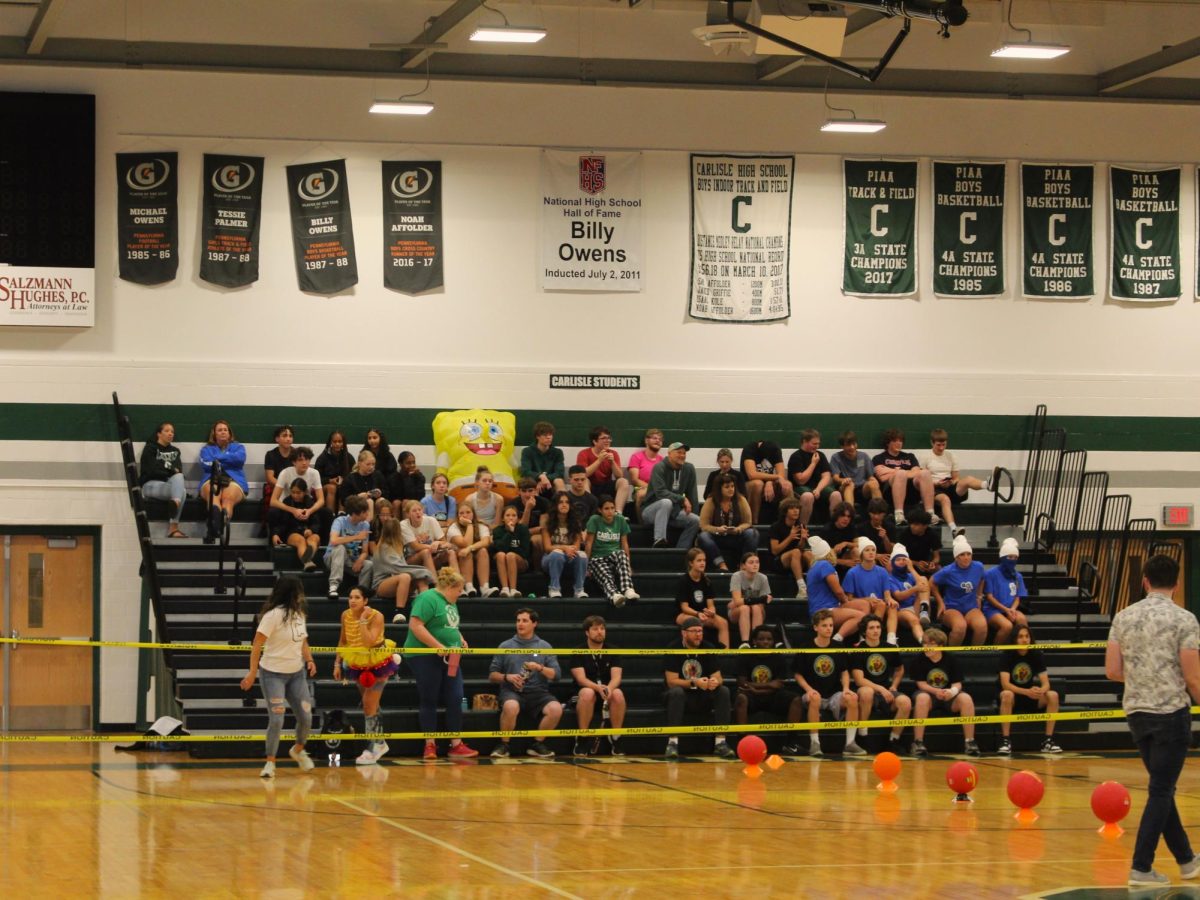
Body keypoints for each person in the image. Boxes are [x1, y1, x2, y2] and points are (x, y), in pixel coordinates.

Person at [1105, 554, 1200, 886]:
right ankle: (1141, 867)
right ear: (1176, 583)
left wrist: (1142, 675)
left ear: (1145, 581)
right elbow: (1192, 677)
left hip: (1136, 714)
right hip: (1171, 714)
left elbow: (1113, 671)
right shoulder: (1185, 619)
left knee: (1163, 788)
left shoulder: (1123, 617)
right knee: (1161, 789)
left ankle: (1187, 860)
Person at [239, 575, 317, 778]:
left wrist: (309, 660)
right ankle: (270, 763)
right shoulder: (272, 616)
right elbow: (257, 645)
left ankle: (298, 750)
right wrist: (252, 672)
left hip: (296, 674)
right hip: (272, 675)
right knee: (277, 719)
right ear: (292, 593)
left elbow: (303, 641)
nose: (302, 596)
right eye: (299, 591)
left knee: (306, 716)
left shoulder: (300, 615)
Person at [404, 567, 479, 760]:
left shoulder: (451, 602)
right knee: (429, 697)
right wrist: (437, 646)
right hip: (425, 656)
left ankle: (456, 744)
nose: (461, 593)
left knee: (456, 697)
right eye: (459, 589)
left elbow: (450, 625)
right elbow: (415, 625)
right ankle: (430, 744)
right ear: (450, 587)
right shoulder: (428, 598)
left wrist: (460, 639)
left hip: (451, 657)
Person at [332, 585, 400, 765]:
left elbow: (370, 642)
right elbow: (343, 640)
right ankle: (380, 742)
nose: (352, 600)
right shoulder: (345, 615)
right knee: (371, 705)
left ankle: (373, 747)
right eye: (350, 597)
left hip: (378, 663)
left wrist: (362, 620)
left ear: (365, 601)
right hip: (358, 663)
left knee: (368, 706)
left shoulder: (376, 616)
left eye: (357, 597)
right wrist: (337, 663)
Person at [792, 608, 867, 757]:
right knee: (815, 697)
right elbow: (798, 674)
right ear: (815, 627)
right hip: (812, 694)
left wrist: (846, 688)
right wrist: (808, 689)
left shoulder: (838, 647)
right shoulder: (806, 647)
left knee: (852, 698)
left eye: (831, 625)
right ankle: (815, 743)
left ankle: (850, 743)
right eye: (825, 625)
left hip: (833, 694)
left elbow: (844, 671)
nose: (828, 629)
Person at [489, 608, 563, 759]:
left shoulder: (544, 646)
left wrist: (540, 668)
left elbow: (557, 675)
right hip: (512, 691)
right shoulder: (505, 646)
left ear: (534, 623)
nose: (520, 624)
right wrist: (507, 677)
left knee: (556, 709)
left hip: (538, 693)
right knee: (511, 706)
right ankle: (504, 744)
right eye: (518, 621)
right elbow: (492, 675)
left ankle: (537, 744)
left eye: (524, 621)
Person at [663, 616, 737, 760]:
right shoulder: (673, 648)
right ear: (684, 633)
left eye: (701, 631)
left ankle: (721, 742)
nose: (698, 635)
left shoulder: (708, 648)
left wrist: (714, 682)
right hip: (682, 694)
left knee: (723, 691)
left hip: (702, 694)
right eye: (694, 631)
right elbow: (671, 681)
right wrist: (694, 682)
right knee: (676, 692)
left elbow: (719, 677)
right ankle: (672, 743)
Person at [908, 627, 980, 758]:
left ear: (941, 646)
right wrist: (936, 691)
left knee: (966, 699)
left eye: (931, 643)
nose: (927, 647)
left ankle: (970, 742)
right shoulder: (918, 660)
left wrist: (951, 692)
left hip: (948, 696)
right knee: (922, 698)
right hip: (929, 695)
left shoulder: (951, 659)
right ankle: (918, 742)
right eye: (925, 643)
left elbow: (958, 683)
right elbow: (921, 684)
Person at [736, 625, 804, 752]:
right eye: (761, 639)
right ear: (754, 641)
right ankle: (742, 742)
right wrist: (766, 685)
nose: (766, 642)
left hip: (773, 696)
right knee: (741, 698)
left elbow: (778, 685)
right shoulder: (745, 656)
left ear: (773, 641)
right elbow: (742, 683)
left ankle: (791, 743)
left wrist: (756, 687)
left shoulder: (779, 658)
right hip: (752, 696)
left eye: (769, 639)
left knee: (796, 700)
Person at [850, 614, 912, 754]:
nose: (876, 630)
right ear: (864, 631)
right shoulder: (858, 650)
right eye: (871, 628)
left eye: (878, 627)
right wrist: (881, 689)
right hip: (867, 691)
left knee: (905, 702)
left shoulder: (889, 648)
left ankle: (893, 740)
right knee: (867, 692)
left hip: (886, 691)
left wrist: (894, 685)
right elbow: (859, 680)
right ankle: (862, 735)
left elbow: (899, 668)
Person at [997, 624, 1062, 755]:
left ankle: (1048, 741)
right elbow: (1005, 684)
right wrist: (1027, 692)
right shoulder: (1007, 654)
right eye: (1021, 637)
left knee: (1053, 695)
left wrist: (1040, 691)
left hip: (1031, 696)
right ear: (1015, 639)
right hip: (1014, 697)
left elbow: (1046, 684)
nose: (1025, 640)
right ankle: (1006, 741)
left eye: (1027, 636)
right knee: (1007, 694)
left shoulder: (1036, 653)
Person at [569, 615, 626, 756]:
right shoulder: (578, 651)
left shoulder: (613, 650)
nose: (600, 632)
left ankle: (616, 738)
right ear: (587, 632)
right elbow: (581, 679)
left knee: (618, 694)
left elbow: (617, 677)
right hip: (585, 692)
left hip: (606, 692)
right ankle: (582, 738)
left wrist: (609, 688)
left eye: (602, 628)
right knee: (587, 692)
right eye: (595, 629)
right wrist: (597, 688)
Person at [924, 428, 994, 538]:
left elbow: (956, 477)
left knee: (968, 479)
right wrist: (937, 484)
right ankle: (954, 529)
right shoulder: (925, 457)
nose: (941, 448)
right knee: (945, 499)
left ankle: (988, 485)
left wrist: (951, 482)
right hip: (933, 489)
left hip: (949, 486)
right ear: (932, 443)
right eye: (938, 445)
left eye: (944, 444)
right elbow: (923, 481)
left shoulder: (951, 456)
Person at [804, 536, 865, 642]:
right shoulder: (825, 565)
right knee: (861, 616)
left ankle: (862, 637)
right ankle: (837, 639)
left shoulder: (814, 567)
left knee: (863, 604)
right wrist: (845, 601)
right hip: (824, 610)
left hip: (824, 606)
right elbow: (838, 591)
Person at [375, 514, 433, 623]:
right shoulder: (384, 547)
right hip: (381, 585)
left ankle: (426, 611)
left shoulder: (398, 546)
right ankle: (399, 612)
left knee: (421, 579)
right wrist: (426, 572)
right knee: (405, 576)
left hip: (398, 582)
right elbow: (399, 568)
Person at [642, 442, 701, 549]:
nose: (682, 455)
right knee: (666, 502)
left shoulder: (689, 469)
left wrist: (694, 513)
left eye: (684, 453)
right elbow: (660, 493)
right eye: (679, 452)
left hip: (674, 513)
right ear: (669, 454)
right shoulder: (659, 467)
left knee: (696, 520)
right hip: (652, 512)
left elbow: (693, 495)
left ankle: (681, 550)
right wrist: (681, 499)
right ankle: (659, 540)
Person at [931, 535, 987, 646]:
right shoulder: (948, 571)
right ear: (956, 557)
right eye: (962, 555)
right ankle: (952, 658)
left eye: (968, 554)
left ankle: (974, 658)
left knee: (982, 627)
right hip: (952, 607)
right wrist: (940, 602)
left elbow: (982, 579)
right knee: (960, 627)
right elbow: (931, 582)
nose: (966, 557)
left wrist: (979, 596)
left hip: (971, 607)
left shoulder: (978, 567)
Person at [872, 428, 935, 527]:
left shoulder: (909, 457)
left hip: (912, 492)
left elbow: (918, 472)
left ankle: (930, 514)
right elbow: (882, 477)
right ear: (888, 443)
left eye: (901, 441)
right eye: (895, 441)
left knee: (925, 473)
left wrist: (892, 471)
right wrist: (903, 473)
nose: (899, 443)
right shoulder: (879, 458)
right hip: (890, 492)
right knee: (900, 474)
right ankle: (899, 514)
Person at [841, 537, 898, 645]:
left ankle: (891, 639)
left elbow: (887, 595)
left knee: (891, 606)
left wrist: (891, 600)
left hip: (879, 604)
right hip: (861, 605)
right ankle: (865, 636)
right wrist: (866, 599)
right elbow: (849, 599)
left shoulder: (882, 571)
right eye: (867, 550)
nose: (871, 553)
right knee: (879, 604)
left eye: (873, 550)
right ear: (862, 553)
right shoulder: (852, 572)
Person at [697, 473, 758, 571]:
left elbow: (748, 522)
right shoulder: (711, 501)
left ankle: (744, 565)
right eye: (727, 487)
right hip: (717, 537)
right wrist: (717, 529)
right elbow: (703, 525)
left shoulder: (740, 499)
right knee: (703, 537)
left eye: (733, 486)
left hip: (735, 536)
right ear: (719, 489)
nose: (731, 489)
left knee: (752, 533)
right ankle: (721, 565)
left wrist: (738, 529)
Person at [198, 419, 247, 542]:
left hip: (234, 481)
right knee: (213, 496)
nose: (223, 432)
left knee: (228, 498)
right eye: (220, 430)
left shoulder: (239, 447)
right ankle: (216, 526)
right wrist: (229, 460)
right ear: (214, 434)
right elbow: (206, 464)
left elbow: (239, 460)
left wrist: (218, 459)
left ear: (229, 433)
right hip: (211, 479)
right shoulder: (206, 449)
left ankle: (215, 527)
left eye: (225, 430)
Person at [585, 497, 639, 607]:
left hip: (615, 556)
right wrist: (586, 565)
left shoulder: (620, 520)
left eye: (612, 508)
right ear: (600, 510)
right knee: (606, 576)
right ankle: (614, 595)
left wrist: (628, 565)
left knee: (621, 554)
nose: (610, 511)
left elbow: (624, 544)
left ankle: (628, 589)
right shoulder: (594, 520)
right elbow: (589, 543)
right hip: (598, 558)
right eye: (606, 508)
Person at [674, 547, 730, 649]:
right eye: (699, 560)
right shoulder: (684, 580)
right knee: (696, 622)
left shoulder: (706, 580)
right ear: (691, 563)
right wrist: (697, 614)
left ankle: (725, 654)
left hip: (702, 614)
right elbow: (684, 607)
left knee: (723, 623)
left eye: (704, 560)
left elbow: (711, 605)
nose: (702, 563)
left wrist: (711, 612)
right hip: (685, 614)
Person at [139, 421, 187, 538]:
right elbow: (151, 470)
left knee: (180, 482)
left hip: (168, 484)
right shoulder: (150, 449)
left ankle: (175, 503)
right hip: (150, 485)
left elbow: (178, 470)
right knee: (182, 492)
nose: (170, 434)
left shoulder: (175, 451)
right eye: (167, 431)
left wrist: (163, 467)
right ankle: (174, 528)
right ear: (159, 434)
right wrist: (169, 469)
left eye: (172, 432)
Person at [267, 446, 324, 543]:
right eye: (300, 460)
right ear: (294, 462)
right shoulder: (285, 473)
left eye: (307, 459)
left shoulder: (314, 473)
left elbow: (321, 500)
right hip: (287, 505)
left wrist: (310, 510)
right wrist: (293, 510)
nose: (304, 462)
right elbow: (273, 501)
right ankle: (274, 543)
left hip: (305, 505)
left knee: (326, 512)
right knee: (273, 512)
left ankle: (324, 545)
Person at [786, 428, 839, 527]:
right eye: (814, 444)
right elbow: (801, 480)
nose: (817, 446)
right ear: (804, 441)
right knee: (808, 496)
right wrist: (813, 464)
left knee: (836, 494)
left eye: (818, 444)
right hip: (800, 488)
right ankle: (802, 528)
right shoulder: (796, 457)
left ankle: (835, 526)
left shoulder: (821, 455)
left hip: (818, 487)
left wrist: (818, 489)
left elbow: (826, 476)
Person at [540, 491, 588, 599]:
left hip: (569, 557)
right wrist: (564, 548)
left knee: (582, 555)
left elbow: (576, 547)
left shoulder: (576, 523)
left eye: (567, 502)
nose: (564, 504)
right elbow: (547, 548)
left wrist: (568, 550)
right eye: (561, 502)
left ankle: (579, 590)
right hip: (550, 559)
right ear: (555, 505)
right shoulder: (547, 523)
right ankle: (554, 588)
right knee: (556, 554)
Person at [325, 494, 373, 601]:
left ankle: (361, 592)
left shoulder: (365, 525)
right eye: (365, 512)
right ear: (356, 514)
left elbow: (365, 551)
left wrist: (360, 560)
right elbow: (334, 540)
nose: (367, 514)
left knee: (368, 564)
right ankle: (333, 586)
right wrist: (356, 537)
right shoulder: (340, 521)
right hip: (332, 558)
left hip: (350, 560)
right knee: (340, 548)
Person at [577, 425, 631, 516]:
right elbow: (582, 474)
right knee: (584, 480)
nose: (608, 441)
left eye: (609, 438)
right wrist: (599, 460)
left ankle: (618, 513)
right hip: (591, 487)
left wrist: (613, 462)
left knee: (623, 481)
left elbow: (619, 476)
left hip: (606, 486)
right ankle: (591, 512)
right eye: (604, 438)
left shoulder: (613, 453)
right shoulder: (584, 453)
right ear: (594, 441)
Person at [984, 537, 1029, 644]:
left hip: (1010, 608)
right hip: (992, 609)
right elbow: (989, 597)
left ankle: (1022, 649)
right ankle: (996, 653)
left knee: (1022, 620)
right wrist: (1005, 610)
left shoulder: (1018, 576)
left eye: (1015, 557)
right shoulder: (991, 574)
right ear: (1003, 557)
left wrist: (1012, 609)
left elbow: (1017, 597)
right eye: (1009, 557)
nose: (1012, 560)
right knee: (1007, 626)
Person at [446, 502, 494, 597]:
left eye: (468, 512)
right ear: (457, 515)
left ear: (473, 514)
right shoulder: (453, 527)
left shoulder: (481, 526)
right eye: (461, 513)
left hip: (475, 556)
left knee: (483, 550)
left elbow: (486, 542)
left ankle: (485, 588)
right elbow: (465, 543)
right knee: (465, 551)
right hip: (459, 557)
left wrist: (470, 548)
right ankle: (468, 586)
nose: (465, 515)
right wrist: (469, 525)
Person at [272, 478, 321, 571]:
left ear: (305, 492)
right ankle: (307, 562)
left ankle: (308, 558)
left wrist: (311, 530)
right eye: (293, 492)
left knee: (315, 538)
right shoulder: (287, 501)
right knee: (301, 540)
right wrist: (275, 534)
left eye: (298, 493)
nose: (295, 495)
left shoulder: (310, 502)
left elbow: (316, 522)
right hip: (292, 532)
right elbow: (282, 523)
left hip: (308, 532)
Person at [741, 438, 792, 523]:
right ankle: (753, 522)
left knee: (787, 485)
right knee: (758, 484)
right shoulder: (749, 449)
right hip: (748, 484)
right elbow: (752, 474)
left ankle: (787, 522)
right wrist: (773, 478)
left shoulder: (775, 450)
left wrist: (769, 482)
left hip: (769, 482)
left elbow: (781, 475)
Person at [887, 543, 932, 642]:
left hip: (916, 606)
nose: (902, 562)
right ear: (893, 562)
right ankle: (923, 642)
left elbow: (922, 584)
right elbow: (899, 596)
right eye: (898, 560)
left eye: (904, 559)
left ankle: (924, 610)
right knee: (914, 620)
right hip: (902, 610)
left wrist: (911, 569)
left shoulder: (911, 575)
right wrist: (915, 589)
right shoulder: (889, 578)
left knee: (923, 579)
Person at [399, 499, 453, 579]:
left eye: (419, 510)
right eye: (414, 511)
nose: (418, 512)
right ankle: (434, 583)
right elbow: (416, 547)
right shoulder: (403, 525)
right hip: (411, 558)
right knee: (425, 552)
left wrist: (437, 542)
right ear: (408, 514)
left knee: (451, 552)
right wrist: (432, 546)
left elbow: (443, 541)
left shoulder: (431, 520)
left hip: (432, 555)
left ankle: (458, 583)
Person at [729, 552, 772, 648]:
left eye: (757, 562)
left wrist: (752, 602)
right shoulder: (737, 576)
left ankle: (755, 642)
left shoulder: (763, 578)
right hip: (737, 611)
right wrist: (758, 600)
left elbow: (763, 604)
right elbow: (737, 602)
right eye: (751, 562)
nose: (755, 565)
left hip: (756, 611)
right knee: (745, 608)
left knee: (756, 607)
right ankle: (745, 642)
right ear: (744, 565)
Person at [829, 430, 881, 509]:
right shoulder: (836, 457)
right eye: (849, 445)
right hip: (845, 487)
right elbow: (835, 477)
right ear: (842, 446)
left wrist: (874, 481)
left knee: (873, 484)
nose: (852, 447)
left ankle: (880, 512)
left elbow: (870, 476)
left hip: (862, 488)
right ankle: (850, 514)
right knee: (850, 484)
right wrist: (843, 480)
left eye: (854, 444)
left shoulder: (864, 456)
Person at [769, 498, 809, 600]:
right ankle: (802, 588)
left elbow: (800, 548)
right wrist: (790, 537)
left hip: (795, 559)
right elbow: (775, 550)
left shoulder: (800, 526)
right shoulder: (776, 527)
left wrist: (803, 540)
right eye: (792, 508)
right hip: (779, 561)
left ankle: (816, 583)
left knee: (809, 554)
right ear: (785, 512)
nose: (796, 511)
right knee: (796, 552)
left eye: (797, 508)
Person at [491, 504, 532, 598]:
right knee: (501, 554)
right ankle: (505, 588)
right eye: (508, 515)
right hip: (502, 560)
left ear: (518, 519)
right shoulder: (497, 530)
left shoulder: (523, 529)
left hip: (520, 562)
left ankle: (513, 589)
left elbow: (525, 552)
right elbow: (499, 548)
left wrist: (511, 551)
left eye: (514, 515)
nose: (511, 518)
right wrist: (510, 532)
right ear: (502, 518)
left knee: (510, 555)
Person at [261, 424, 295, 533]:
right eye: (284, 436)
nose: (288, 438)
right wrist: (284, 487)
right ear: (277, 439)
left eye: (290, 436)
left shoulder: (297, 454)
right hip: (277, 486)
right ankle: (268, 527)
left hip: (294, 486)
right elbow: (270, 478)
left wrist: (293, 488)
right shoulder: (271, 455)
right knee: (269, 493)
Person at [520, 420, 566, 497]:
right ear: (537, 436)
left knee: (559, 481)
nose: (549, 437)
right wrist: (540, 476)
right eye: (545, 435)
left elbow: (559, 473)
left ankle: (563, 506)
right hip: (534, 482)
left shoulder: (557, 452)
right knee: (530, 485)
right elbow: (525, 471)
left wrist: (545, 479)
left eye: (550, 434)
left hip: (551, 482)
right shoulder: (527, 451)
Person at [627, 427, 664, 518]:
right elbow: (634, 480)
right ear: (646, 440)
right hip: (641, 489)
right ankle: (642, 525)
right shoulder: (637, 457)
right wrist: (651, 488)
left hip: (659, 490)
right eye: (654, 438)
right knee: (641, 494)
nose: (658, 441)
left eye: (660, 439)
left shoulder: (662, 460)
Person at [506, 476, 550, 552]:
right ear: (519, 491)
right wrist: (528, 509)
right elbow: (518, 530)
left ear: (535, 491)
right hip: (518, 535)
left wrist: (527, 531)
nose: (527, 494)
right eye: (524, 491)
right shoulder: (513, 504)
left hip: (537, 534)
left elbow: (543, 528)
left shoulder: (544, 503)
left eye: (530, 491)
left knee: (537, 540)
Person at [314, 429, 352, 515]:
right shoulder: (322, 458)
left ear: (343, 443)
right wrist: (330, 480)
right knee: (332, 487)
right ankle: (330, 514)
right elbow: (316, 479)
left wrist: (344, 480)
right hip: (325, 487)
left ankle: (341, 513)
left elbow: (353, 475)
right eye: (335, 441)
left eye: (340, 441)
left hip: (343, 486)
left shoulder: (348, 457)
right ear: (330, 442)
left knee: (344, 486)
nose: (337, 444)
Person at [897, 508, 942, 577]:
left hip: (925, 564)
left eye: (916, 524)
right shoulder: (904, 533)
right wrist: (916, 563)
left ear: (925, 525)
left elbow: (937, 557)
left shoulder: (932, 534)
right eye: (911, 523)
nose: (912, 526)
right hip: (908, 563)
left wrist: (932, 564)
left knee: (938, 569)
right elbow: (899, 557)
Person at [819, 502, 861, 570]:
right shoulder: (827, 530)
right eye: (843, 515)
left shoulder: (851, 527)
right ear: (837, 516)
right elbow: (821, 557)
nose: (846, 519)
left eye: (848, 516)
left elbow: (856, 544)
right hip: (828, 561)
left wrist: (845, 543)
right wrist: (843, 562)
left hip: (843, 557)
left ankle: (858, 577)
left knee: (855, 551)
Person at [389, 450, 426, 516]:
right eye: (408, 463)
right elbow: (395, 496)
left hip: (415, 503)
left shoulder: (419, 476)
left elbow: (420, 496)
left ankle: (407, 526)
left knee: (405, 502)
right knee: (396, 503)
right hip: (399, 504)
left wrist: (410, 477)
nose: (412, 465)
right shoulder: (394, 477)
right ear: (400, 464)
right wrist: (407, 477)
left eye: (413, 462)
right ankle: (395, 525)